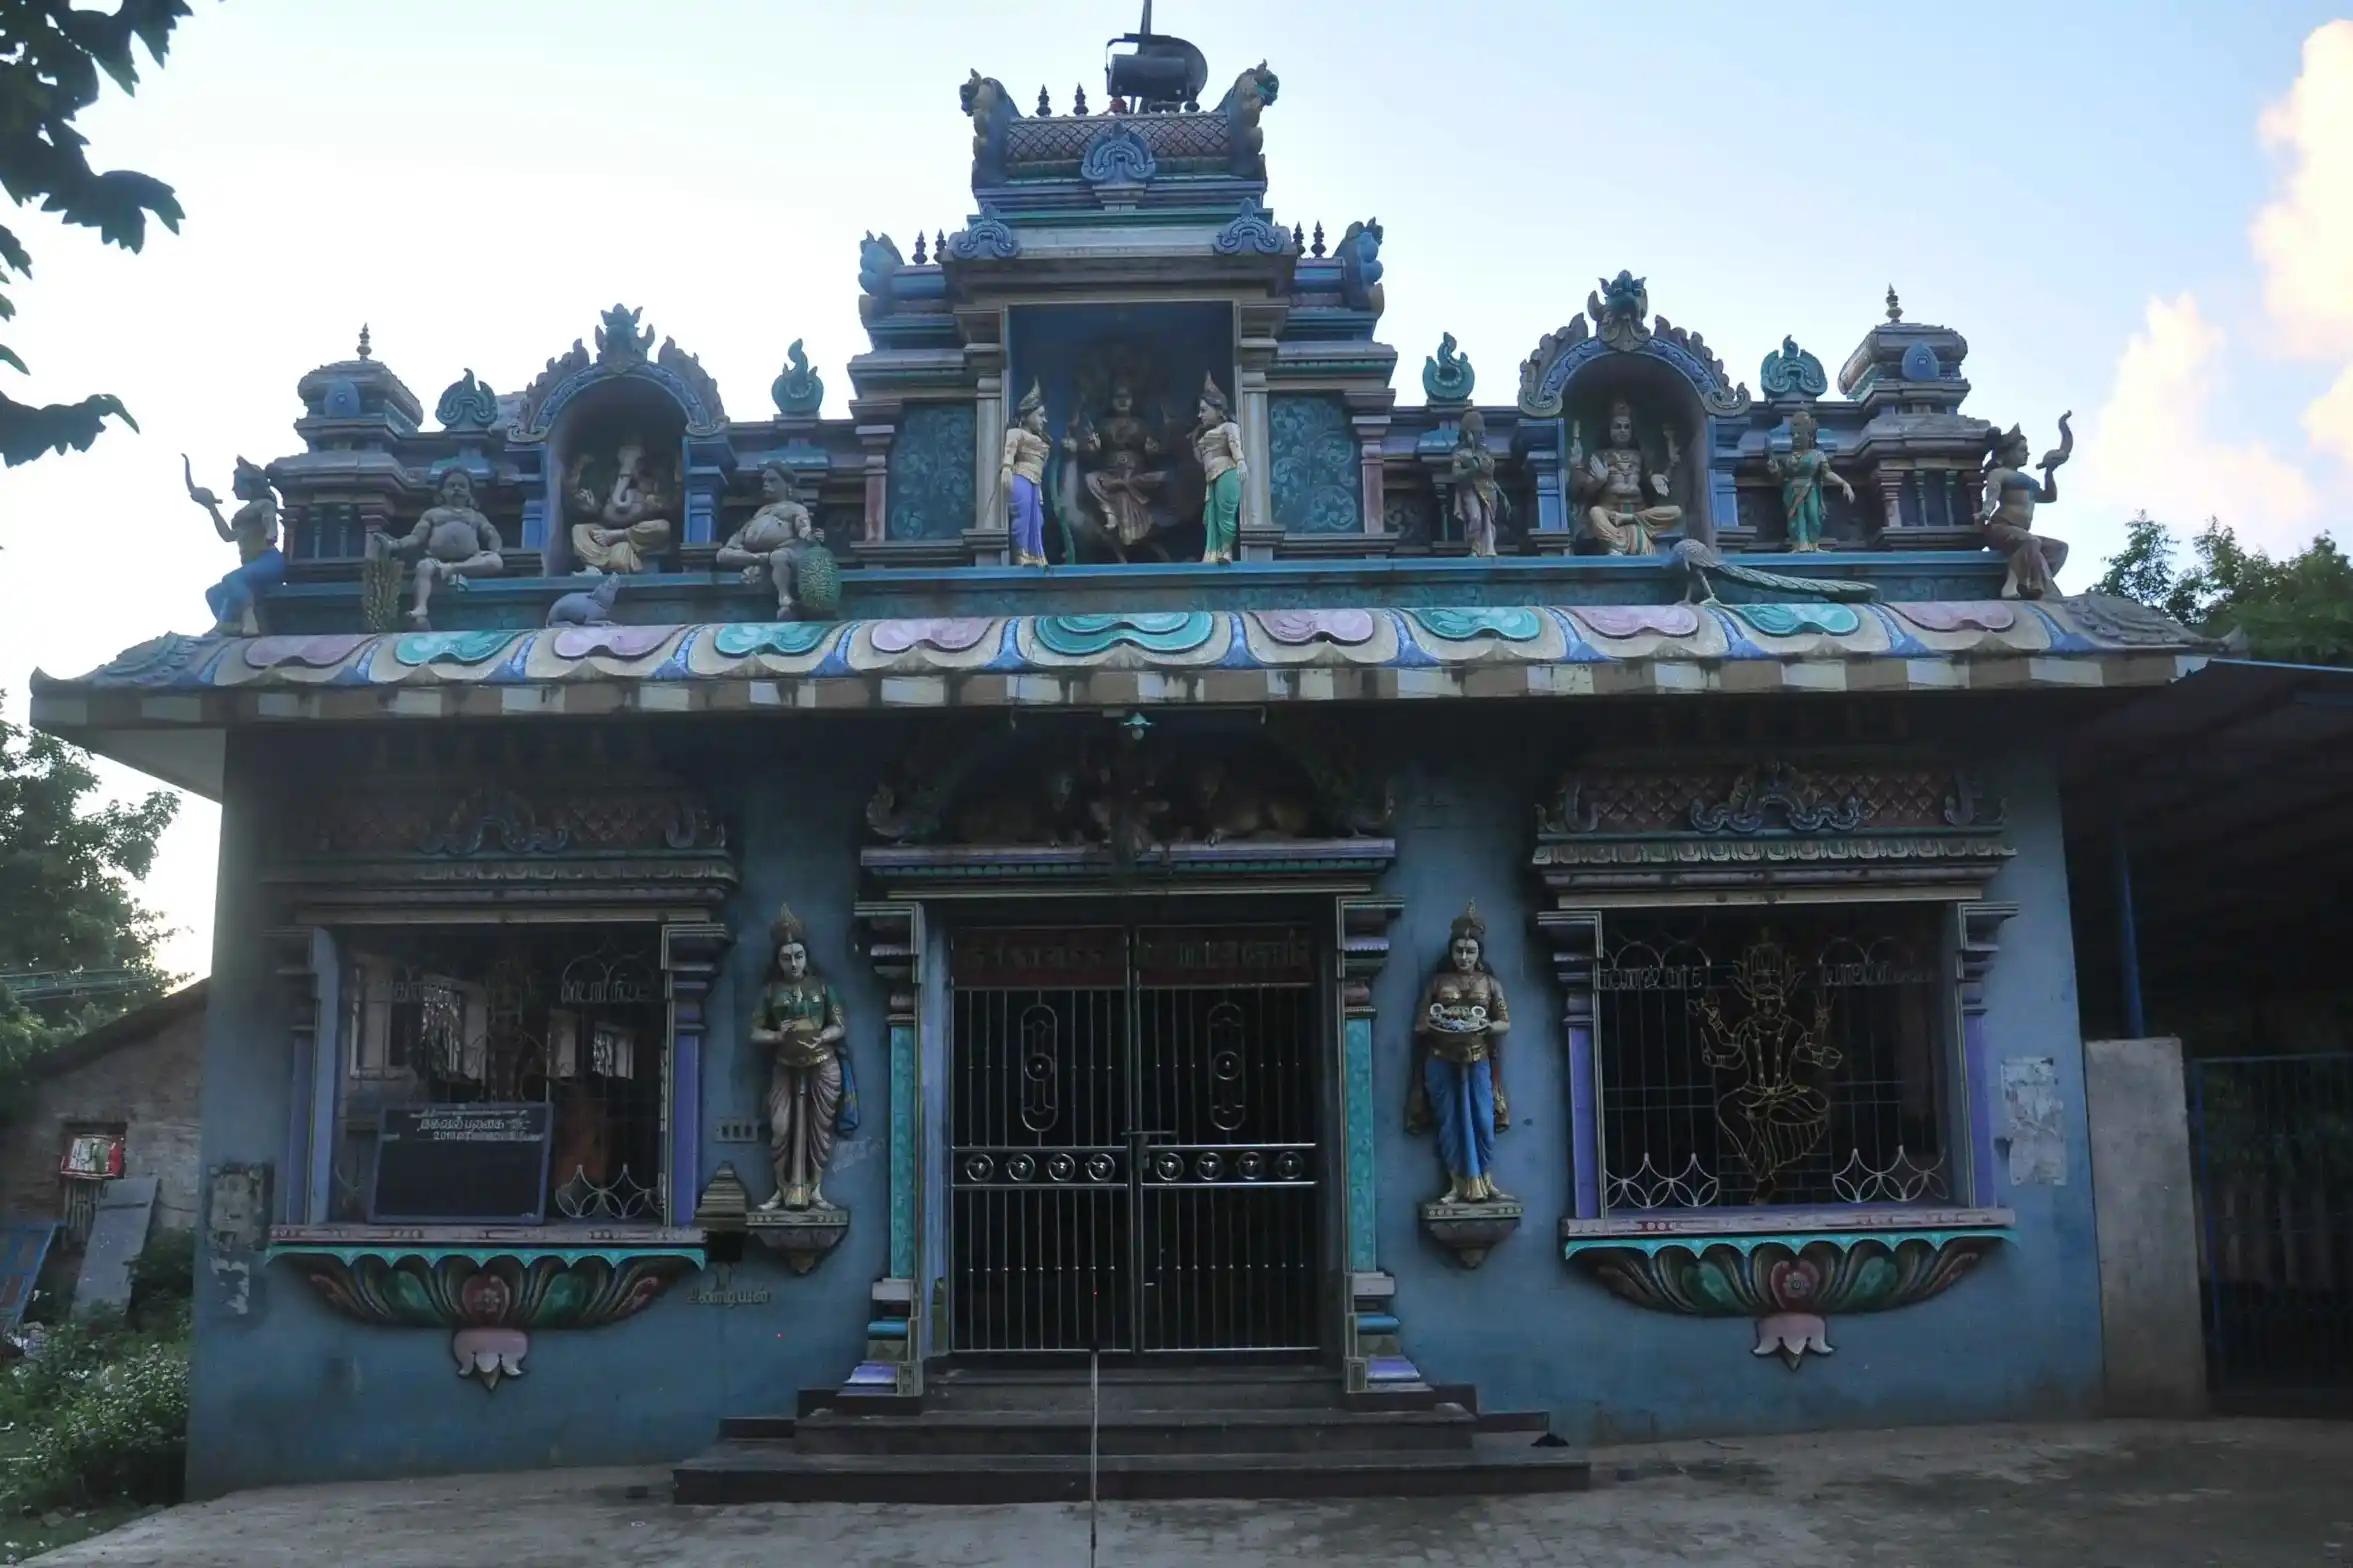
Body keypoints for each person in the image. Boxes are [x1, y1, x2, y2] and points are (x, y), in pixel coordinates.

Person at [1406, 904, 1513, 1205]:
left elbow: (1505, 1022)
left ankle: (1485, 1181)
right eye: (1459, 951)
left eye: (1470, 951)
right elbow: (1420, 1023)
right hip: (1441, 1058)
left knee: (1482, 1118)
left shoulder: (1491, 984)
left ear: (1479, 952)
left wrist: (1487, 1025)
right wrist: (1443, 1024)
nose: (1464, 957)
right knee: (1449, 1121)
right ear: (1451, 952)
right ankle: (1457, 1183)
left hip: (1478, 1057)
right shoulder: (1437, 982)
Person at [750, 905, 854, 1211]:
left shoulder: (822, 988)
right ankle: (783, 1189)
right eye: (786, 957)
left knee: (818, 1131)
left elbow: (839, 1025)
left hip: (822, 1062)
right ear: (778, 961)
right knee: (781, 1127)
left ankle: (815, 1190)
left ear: (806, 958)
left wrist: (820, 1036)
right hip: (785, 1064)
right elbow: (755, 1032)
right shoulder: (770, 992)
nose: (793, 963)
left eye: (798, 956)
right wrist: (778, 1036)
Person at [186, 455, 283, 635]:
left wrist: (271, 533)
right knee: (213, 594)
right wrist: (211, 508)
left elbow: (270, 519)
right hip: (251, 566)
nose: (233, 488)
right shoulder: (243, 513)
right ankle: (231, 624)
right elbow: (228, 536)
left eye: (237, 484)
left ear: (251, 485)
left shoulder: (264, 504)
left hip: (269, 561)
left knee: (233, 579)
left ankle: (249, 620)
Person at [1193, 376, 1247, 564]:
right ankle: (1212, 552)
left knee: (1225, 515)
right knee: (1209, 518)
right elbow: (1201, 461)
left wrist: (1240, 461)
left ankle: (1226, 552)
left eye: (1204, 410)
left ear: (1218, 409)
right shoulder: (1204, 434)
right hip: (1211, 477)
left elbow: (1235, 444)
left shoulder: (1229, 427)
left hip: (1227, 472)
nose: (1200, 415)